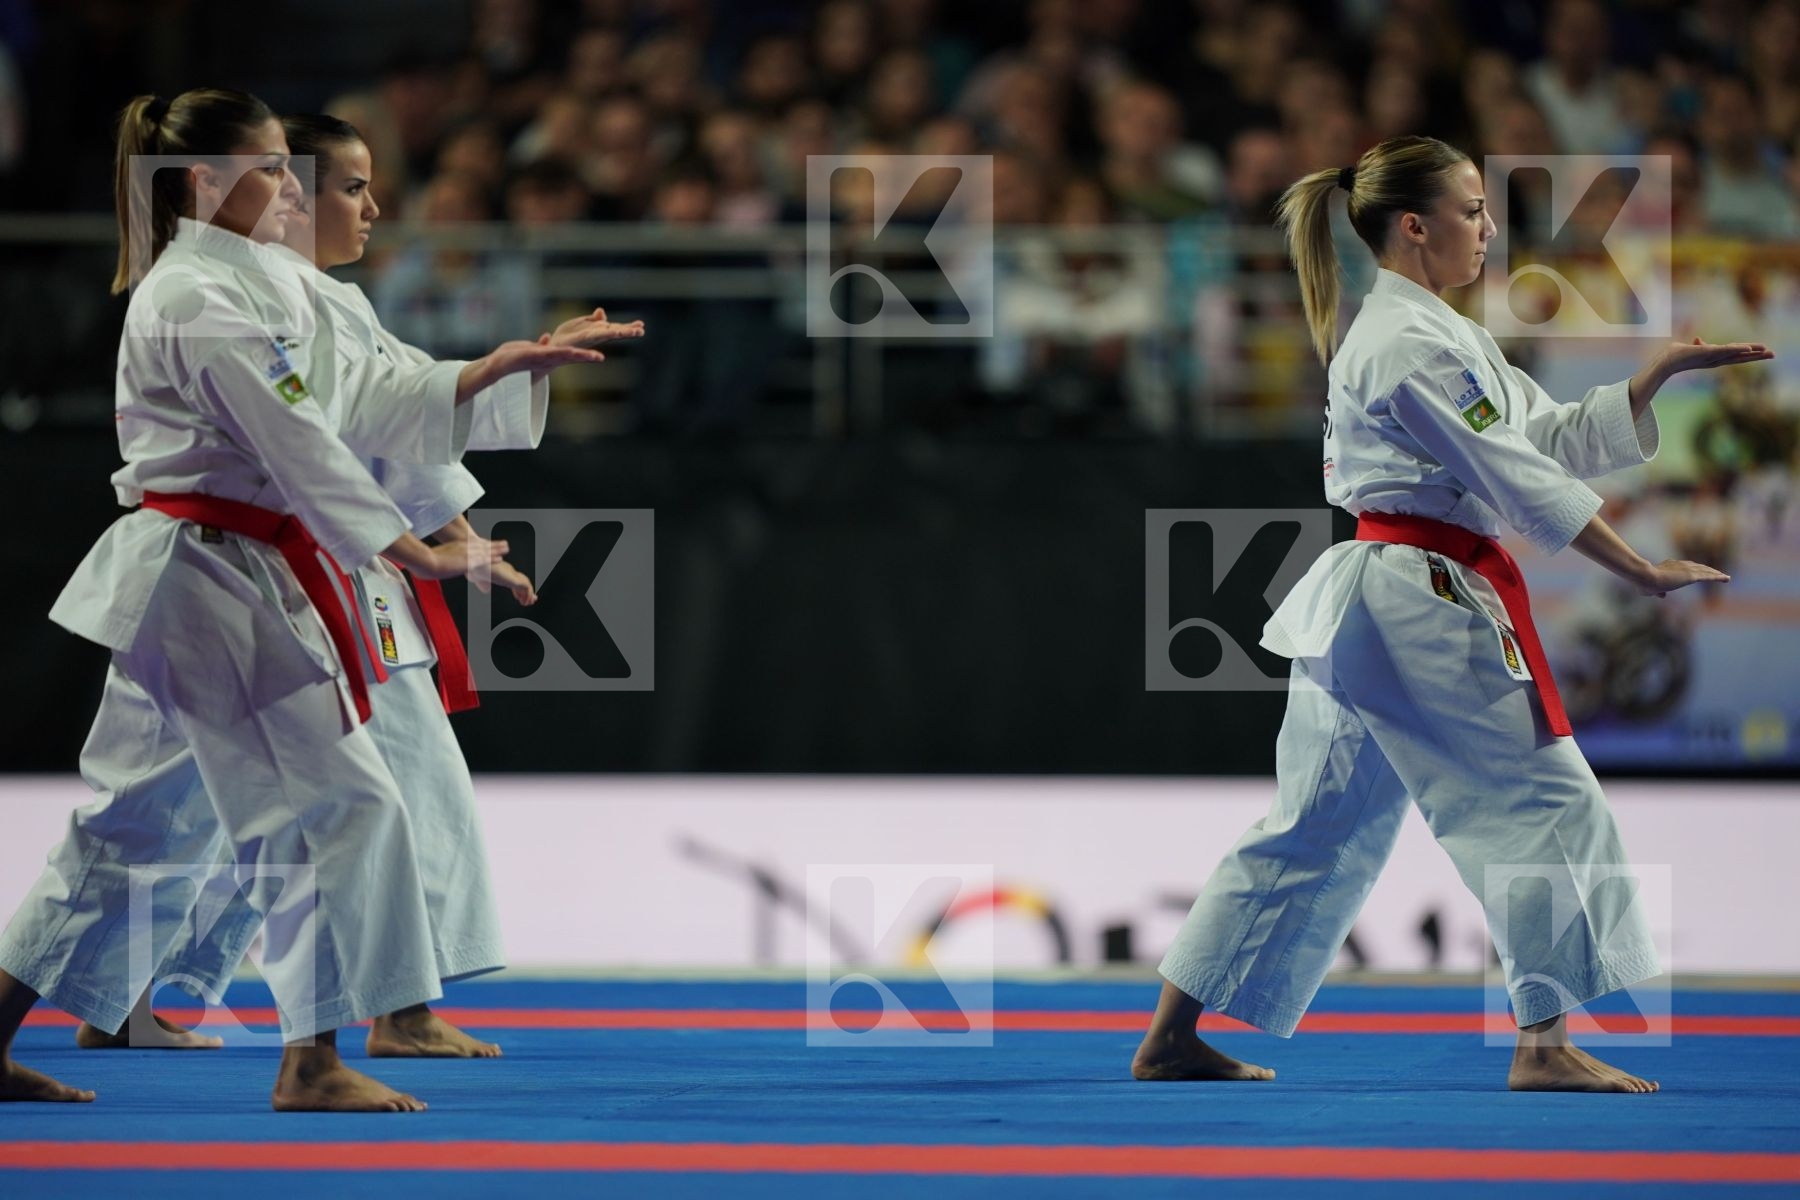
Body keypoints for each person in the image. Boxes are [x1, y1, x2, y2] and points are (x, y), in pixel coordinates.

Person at [0, 89, 604, 1109]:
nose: (292, 189)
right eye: (275, 168)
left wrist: (489, 369)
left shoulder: (247, 288)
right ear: (204, 182)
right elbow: (304, 446)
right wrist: (417, 548)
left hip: (228, 569)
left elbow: (361, 402)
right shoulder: (196, 297)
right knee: (346, 804)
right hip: (210, 570)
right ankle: (312, 1063)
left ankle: (302, 1044)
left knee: (134, 830)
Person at [1131, 135, 1772, 1093]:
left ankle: (1172, 1035)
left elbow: (1536, 436)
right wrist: (1635, 566)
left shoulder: (1435, 332)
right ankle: (1543, 1043)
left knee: (1313, 824)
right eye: (1472, 210)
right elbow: (1514, 475)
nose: (1488, 228)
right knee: (1539, 798)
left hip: (1372, 598)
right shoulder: (1404, 341)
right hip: (1415, 597)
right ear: (1416, 225)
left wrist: (1647, 381)